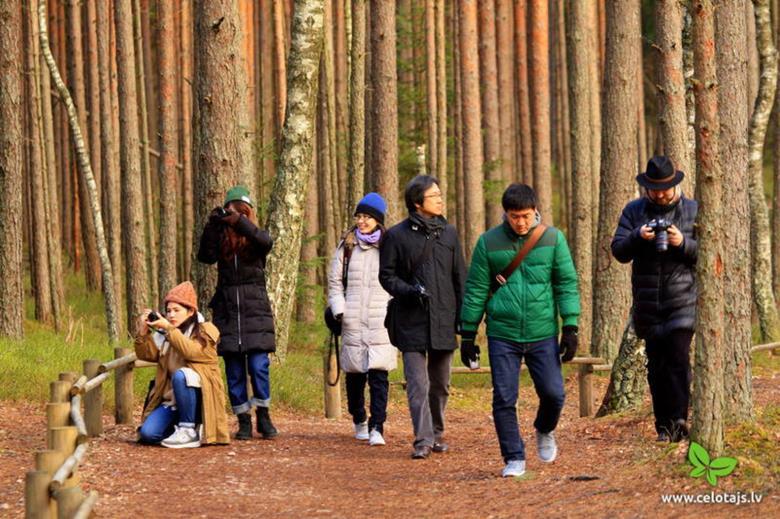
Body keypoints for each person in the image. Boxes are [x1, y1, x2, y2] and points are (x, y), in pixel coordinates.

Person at [459, 183, 580, 477]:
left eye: (526, 215)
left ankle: (544, 429)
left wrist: (571, 326)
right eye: (514, 216)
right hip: (503, 333)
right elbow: (476, 289)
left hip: (542, 332)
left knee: (554, 394)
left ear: (535, 210)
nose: (521, 222)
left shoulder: (553, 239)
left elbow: (566, 283)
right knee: (504, 397)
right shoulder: (488, 242)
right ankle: (513, 457)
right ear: (506, 214)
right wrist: (467, 335)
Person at [611, 155, 698, 443]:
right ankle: (663, 427)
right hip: (647, 305)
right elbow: (619, 251)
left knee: (677, 359)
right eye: (654, 190)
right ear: (646, 188)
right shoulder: (634, 211)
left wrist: (682, 244)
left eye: (665, 189)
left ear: (676, 185)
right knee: (656, 366)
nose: (660, 195)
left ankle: (679, 420)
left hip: (683, 301)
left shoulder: (694, 210)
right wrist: (638, 236)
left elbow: (708, 254)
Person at [379, 175, 467, 459]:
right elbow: (387, 276)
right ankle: (423, 440)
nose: (441, 199)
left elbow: (459, 278)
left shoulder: (450, 234)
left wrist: (464, 321)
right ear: (418, 203)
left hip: (443, 319)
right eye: (434, 196)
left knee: (440, 384)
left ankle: (437, 433)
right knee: (418, 384)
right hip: (410, 320)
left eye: (441, 194)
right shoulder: (395, 236)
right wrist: (409, 290)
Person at [197, 185, 278, 440]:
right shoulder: (221, 239)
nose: (233, 215)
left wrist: (240, 221)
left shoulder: (255, 239)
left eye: (240, 211)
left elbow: (266, 241)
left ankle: (263, 416)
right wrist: (213, 225)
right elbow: (205, 257)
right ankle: (243, 419)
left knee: (258, 365)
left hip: (255, 311)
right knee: (233, 370)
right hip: (228, 311)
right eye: (231, 211)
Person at [327, 193, 397, 446]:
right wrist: (339, 310)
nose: (362, 221)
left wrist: (394, 309)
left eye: (367, 217)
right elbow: (335, 283)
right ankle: (359, 418)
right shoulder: (346, 247)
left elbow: (397, 280)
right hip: (352, 319)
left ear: (378, 220)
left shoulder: (390, 246)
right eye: (359, 216)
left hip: (382, 319)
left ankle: (378, 425)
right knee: (355, 376)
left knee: (379, 376)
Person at [135, 281, 230, 448]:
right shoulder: (167, 335)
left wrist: (169, 329)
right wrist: (144, 333)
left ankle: (190, 429)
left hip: (201, 400)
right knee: (148, 434)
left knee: (182, 375)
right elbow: (147, 355)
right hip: (172, 402)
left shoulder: (205, 331)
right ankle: (180, 427)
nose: (171, 315)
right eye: (168, 311)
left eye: (177, 310)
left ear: (191, 311)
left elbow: (191, 352)